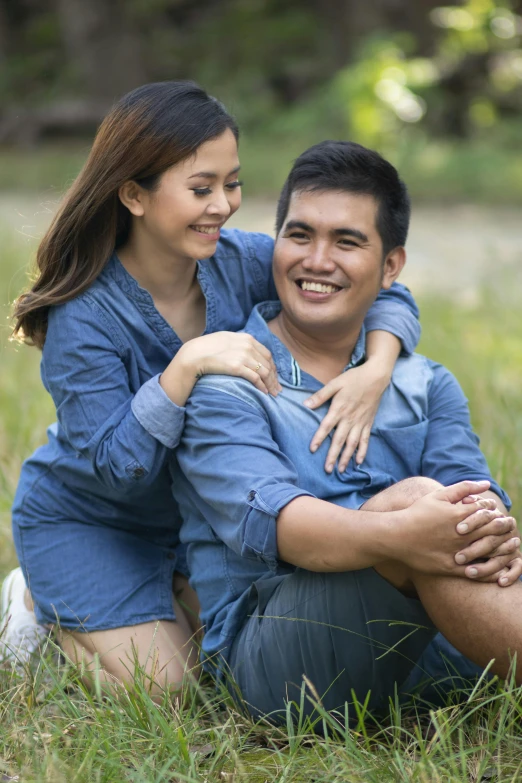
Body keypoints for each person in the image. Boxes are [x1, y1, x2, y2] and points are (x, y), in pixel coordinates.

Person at [0, 83, 421, 693]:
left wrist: (376, 366)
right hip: (94, 520)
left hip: (197, 521)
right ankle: (36, 604)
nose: (223, 205)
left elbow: (372, 287)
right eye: (201, 189)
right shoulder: (83, 315)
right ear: (133, 195)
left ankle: (163, 596)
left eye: (232, 183)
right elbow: (116, 469)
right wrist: (183, 367)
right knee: (170, 690)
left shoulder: (240, 262)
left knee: (230, 663)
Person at [171, 140, 522, 721]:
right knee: (416, 500)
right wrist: (411, 529)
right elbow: (280, 528)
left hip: (428, 651)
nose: (317, 260)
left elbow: (473, 493)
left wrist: (490, 526)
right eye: (300, 235)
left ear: (391, 267)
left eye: (348, 241)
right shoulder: (225, 383)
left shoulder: (424, 382)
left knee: (455, 508)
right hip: (282, 668)